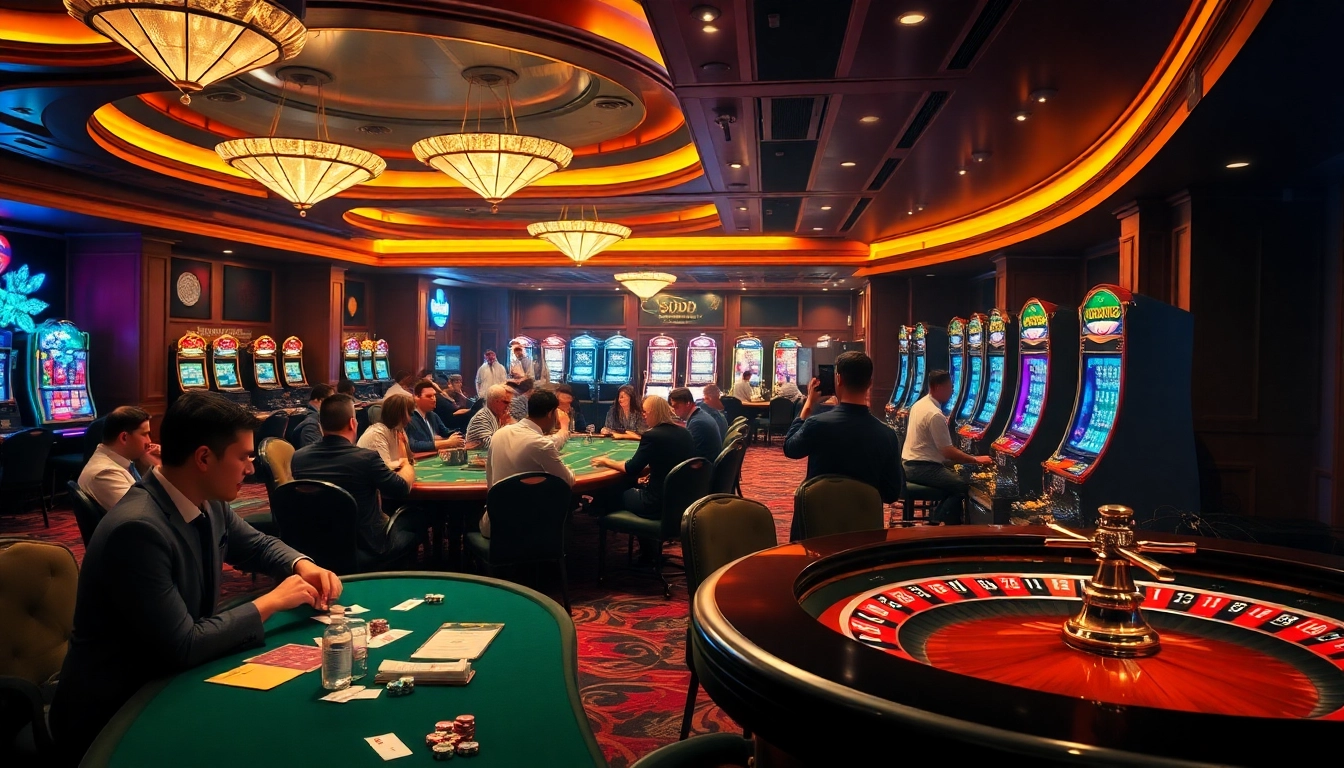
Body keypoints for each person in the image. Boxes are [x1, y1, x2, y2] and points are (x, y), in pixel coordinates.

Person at [50, 392, 341, 764]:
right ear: (204, 458)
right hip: (117, 712)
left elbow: (257, 546)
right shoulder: (138, 529)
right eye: (243, 457)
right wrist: (272, 600)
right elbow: (183, 645)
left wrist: (303, 565)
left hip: (168, 679)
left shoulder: (208, 500)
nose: (251, 468)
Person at [782, 351, 904, 541]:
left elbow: (790, 449)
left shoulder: (817, 424)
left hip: (816, 529)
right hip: (864, 533)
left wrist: (808, 404)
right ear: (870, 383)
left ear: (838, 379)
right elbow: (891, 494)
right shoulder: (887, 435)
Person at [291, 394, 429, 557]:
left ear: (321, 427)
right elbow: (401, 488)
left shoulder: (298, 458)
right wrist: (405, 464)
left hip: (314, 544)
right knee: (422, 517)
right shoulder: (366, 458)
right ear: (352, 423)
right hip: (368, 546)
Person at [479, 390, 574, 537]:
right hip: (531, 528)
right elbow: (566, 480)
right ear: (551, 413)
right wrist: (568, 468)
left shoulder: (499, 434)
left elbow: (490, 477)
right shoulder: (540, 444)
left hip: (494, 525)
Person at [902, 369, 992, 525]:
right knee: (960, 486)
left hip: (908, 464)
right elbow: (947, 452)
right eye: (950, 387)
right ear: (938, 387)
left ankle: (944, 521)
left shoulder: (919, 404)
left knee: (953, 480)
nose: (952, 391)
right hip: (922, 467)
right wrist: (975, 460)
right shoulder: (934, 414)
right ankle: (937, 524)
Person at [592, 395, 694, 522]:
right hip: (680, 501)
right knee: (630, 485)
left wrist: (606, 461)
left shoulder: (652, 435)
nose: (643, 415)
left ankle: (595, 515)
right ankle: (646, 540)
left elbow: (631, 468)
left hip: (655, 503)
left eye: (645, 412)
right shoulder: (685, 432)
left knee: (611, 492)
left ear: (654, 413)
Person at [77, 405, 161, 511]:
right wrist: (160, 470)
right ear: (124, 437)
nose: (149, 441)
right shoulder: (104, 473)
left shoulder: (124, 462)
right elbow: (143, 512)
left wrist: (149, 466)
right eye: (144, 434)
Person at [357, 393, 415, 469]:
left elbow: (409, 461)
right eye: (410, 414)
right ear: (399, 414)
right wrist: (403, 463)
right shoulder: (376, 434)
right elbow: (386, 470)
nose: (410, 419)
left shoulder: (398, 431)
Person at [406, 381, 464, 453]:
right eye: (429, 396)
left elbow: (446, 432)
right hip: (419, 459)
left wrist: (459, 436)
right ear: (416, 397)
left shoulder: (433, 415)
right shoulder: (408, 418)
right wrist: (447, 442)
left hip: (433, 455)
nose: (433, 399)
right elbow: (413, 445)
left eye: (434, 395)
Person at [669, 387, 723, 460]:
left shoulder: (697, 423)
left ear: (688, 403)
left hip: (705, 468)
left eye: (676, 407)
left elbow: (690, 454)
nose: (674, 411)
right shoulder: (699, 414)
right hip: (708, 463)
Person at [465, 384, 514, 450]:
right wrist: (505, 426)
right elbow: (488, 445)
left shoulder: (497, 415)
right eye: (506, 402)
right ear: (495, 401)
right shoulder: (481, 418)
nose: (509, 406)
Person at [291, 382, 334, 447]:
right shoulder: (312, 424)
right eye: (331, 402)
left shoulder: (305, 411)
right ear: (320, 401)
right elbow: (314, 454)